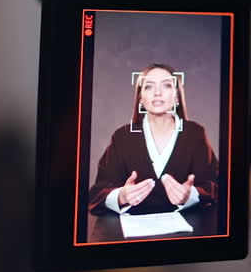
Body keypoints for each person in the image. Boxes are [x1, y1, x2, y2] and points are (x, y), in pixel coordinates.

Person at [87, 64, 218, 219]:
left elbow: (216, 186)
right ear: (140, 99)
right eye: (149, 87)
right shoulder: (123, 136)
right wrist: (121, 196)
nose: (157, 92)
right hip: (131, 237)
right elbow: (97, 192)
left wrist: (190, 195)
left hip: (186, 236)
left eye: (167, 85)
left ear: (177, 96)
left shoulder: (195, 133)